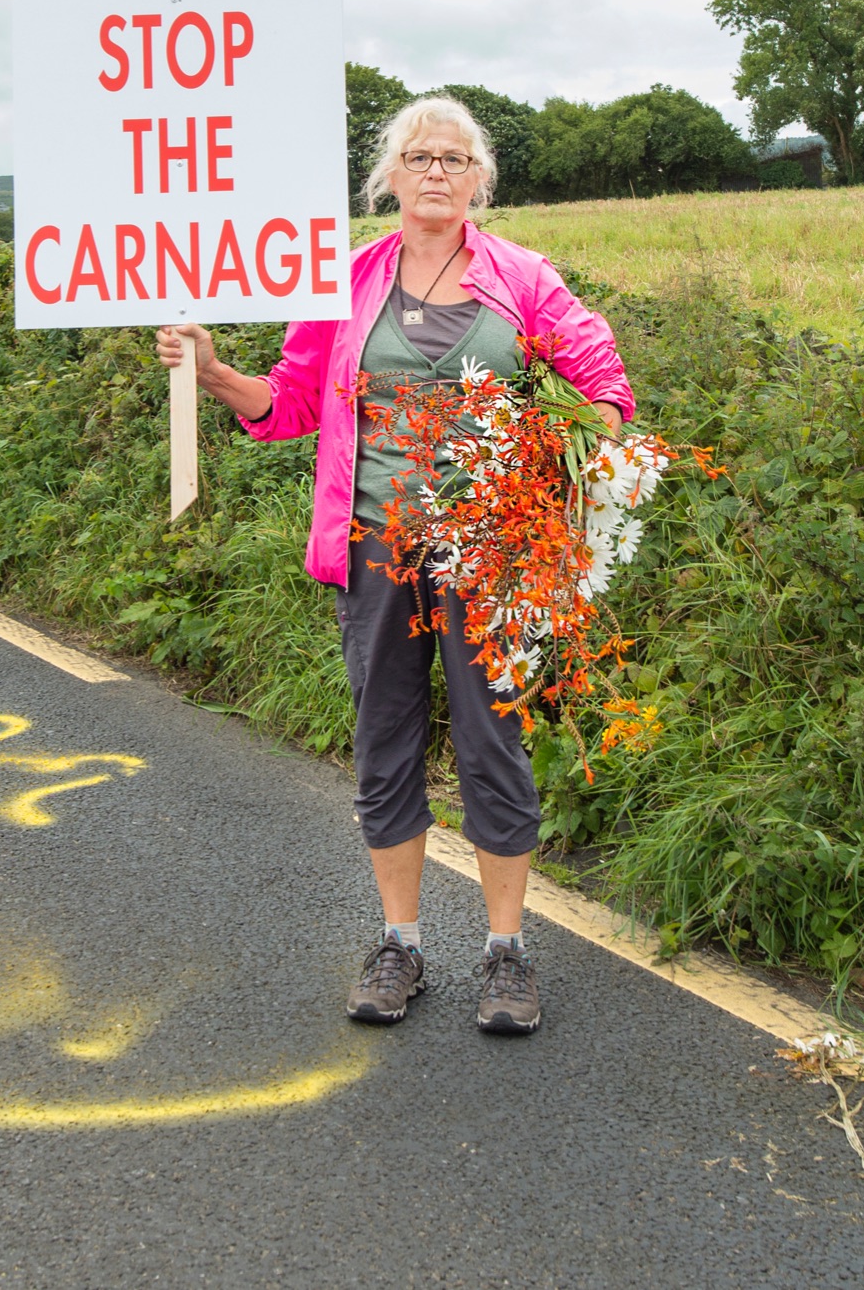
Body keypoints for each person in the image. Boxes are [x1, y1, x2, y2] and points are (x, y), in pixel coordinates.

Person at [155, 96, 632, 1035]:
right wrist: (211, 370)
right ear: (389, 174)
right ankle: (400, 944)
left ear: (480, 180)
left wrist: (570, 448)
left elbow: (600, 381)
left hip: (488, 557)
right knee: (384, 743)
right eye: (419, 156)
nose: (437, 172)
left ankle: (505, 955)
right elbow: (288, 400)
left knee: (494, 747)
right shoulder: (345, 278)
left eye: (455, 159)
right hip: (375, 550)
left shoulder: (522, 278)